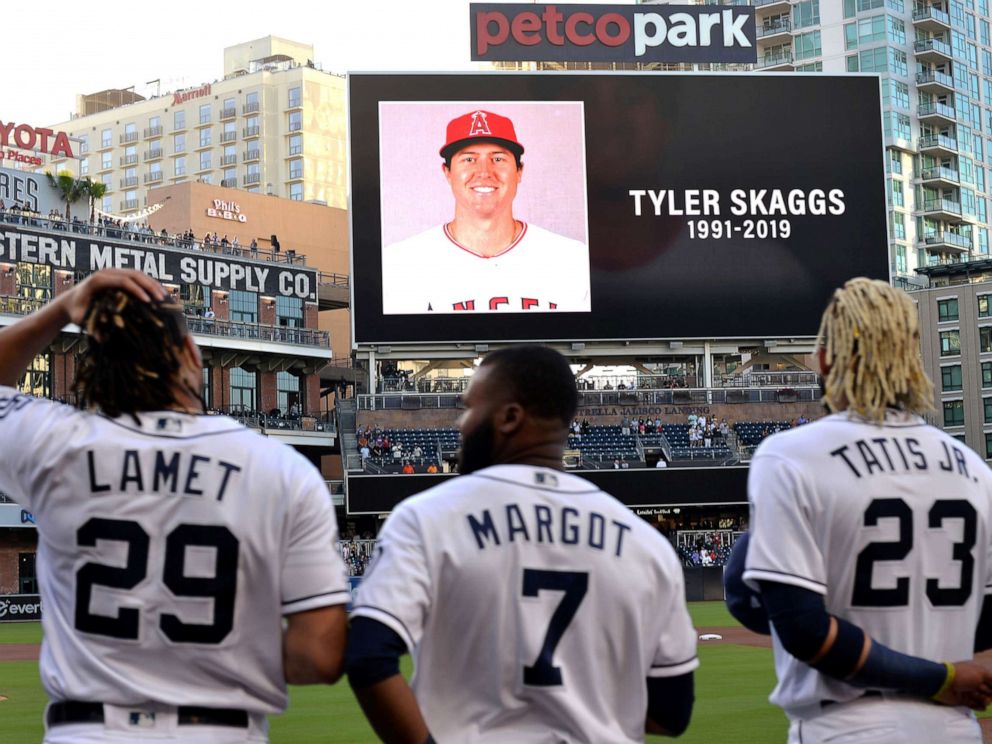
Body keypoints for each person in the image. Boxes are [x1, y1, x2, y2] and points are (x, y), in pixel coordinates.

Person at [0, 268, 350, 743]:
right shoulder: (280, 468)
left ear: (96, 364)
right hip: (221, 733)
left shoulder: (57, 443)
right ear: (191, 354)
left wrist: (62, 309)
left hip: (88, 732)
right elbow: (320, 653)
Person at [345, 345, 696, 743]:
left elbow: (368, 656)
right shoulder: (646, 545)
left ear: (509, 417)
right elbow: (672, 712)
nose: (461, 424)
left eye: (469, 408)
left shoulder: (427, 518)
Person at [732, 278, 992, 743]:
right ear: (911, 361)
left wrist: (939, 677)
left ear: (826, 359)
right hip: (954, 730)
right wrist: (937, 658)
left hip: (847, 726)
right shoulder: (974, 470)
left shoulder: (793, 454)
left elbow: (802, 629)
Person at [381, 110, 591, 314]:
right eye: (469, 159)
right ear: (447, 172)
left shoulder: (573, 260)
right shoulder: (399, 264)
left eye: (498, 159)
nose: (484, 172)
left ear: (519, 171)